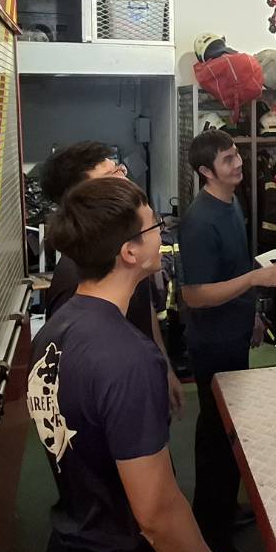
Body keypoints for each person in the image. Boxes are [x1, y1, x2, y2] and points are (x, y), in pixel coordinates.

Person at [29, 176, 237, 552]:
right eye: (154, 227)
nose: (161, 236)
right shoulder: (126, 359)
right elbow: (156, 512)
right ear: (129, 251)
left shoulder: (54, 331)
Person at [178, 130, 276, 552]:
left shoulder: (232, 202)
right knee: (215, 441)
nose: (239, 163)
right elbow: (196, 295)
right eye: (228, 159)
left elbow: (236, 266)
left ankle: (224, 509)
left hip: (235, 332)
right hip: (212, 345)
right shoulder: (200, 220)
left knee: (227, 435)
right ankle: (213, 542)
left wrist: (254, 315)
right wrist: (256, 283)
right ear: (206, 171)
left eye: (237, 154)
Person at [41, 141, 184, 417]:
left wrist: (164, 368)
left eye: (120, 169)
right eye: (111, 176)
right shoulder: (74, 279)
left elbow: (146, 312)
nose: (125, 180)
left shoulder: (125, 258)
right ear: (81, 198)